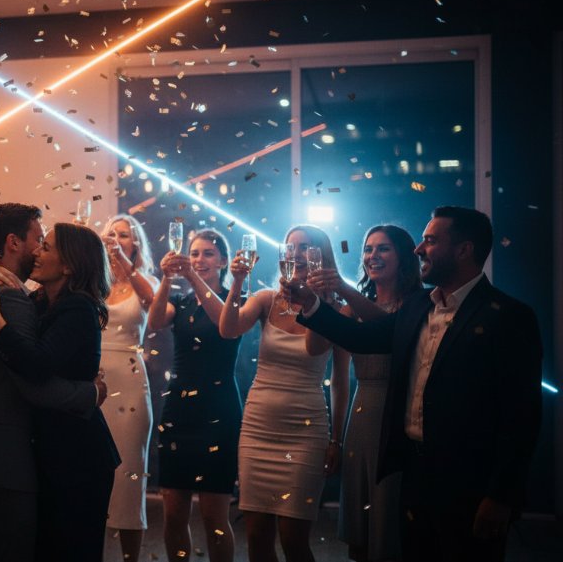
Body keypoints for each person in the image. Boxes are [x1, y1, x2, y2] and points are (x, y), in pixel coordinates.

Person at [290, 207, 543, 562]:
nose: (418, 249)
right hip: (413, 470)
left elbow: (522, 417)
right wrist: (311, 304)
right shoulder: (419, 306)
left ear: (463, 250)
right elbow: (361, 338)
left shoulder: (508, 316)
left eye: (430, 240)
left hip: (468, 479)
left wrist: (501, 496)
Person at [0, 203, 105, 562]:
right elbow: (34, 381)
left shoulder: (4, 293)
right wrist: (90, 392)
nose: (39, 248)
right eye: (39, 239)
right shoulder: (11, 299)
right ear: (14, 242)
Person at [219, 225, 350, 562]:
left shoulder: (336, 307)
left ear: (321, 256)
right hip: (259, 427)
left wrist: (337, 439)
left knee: (294, 538)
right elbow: (228, 329)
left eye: (306, 247)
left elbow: (336, 376)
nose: (297, 254)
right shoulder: (266, 299)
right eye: (290, 248)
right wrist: (236, 281)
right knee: (257, 535)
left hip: (305, 431)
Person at [308, 225, 421, 562]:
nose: (373, 256)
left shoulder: (419, 304)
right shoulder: (349, 310)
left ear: (403, 256)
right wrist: (336, 439)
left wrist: (341, 286)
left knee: (393, 522)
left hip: (400, 411)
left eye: (383, 249)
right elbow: (339, 378)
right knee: (360, 529)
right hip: (361, 415)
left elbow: (387, 328)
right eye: (369, 249)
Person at [147, 229, 242, 562]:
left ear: (223, 261)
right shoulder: (181, 300)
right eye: (194, 253)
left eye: (208, 253)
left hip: (218, 409)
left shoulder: (235, 300)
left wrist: (189, 275)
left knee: (214, 517)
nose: (199, 260)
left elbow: (223, 326)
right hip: (179, 407)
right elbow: (155, 322)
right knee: (173, 514)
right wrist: (165, 278)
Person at [99, 214, 159, 561]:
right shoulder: (92, 282)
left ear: (134, 244)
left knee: (129, 474)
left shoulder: (144, 280)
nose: (117, 239)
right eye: (111, 234)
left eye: (124, 235)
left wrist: (124, 265)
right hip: (93, 382)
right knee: (91, 475)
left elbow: (154, 304)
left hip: (131, 378)